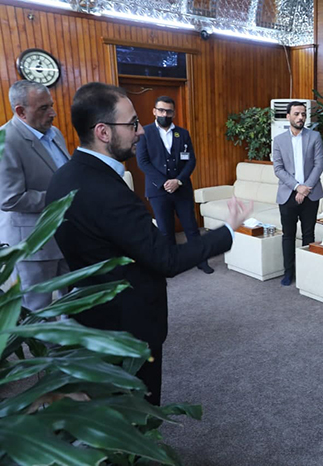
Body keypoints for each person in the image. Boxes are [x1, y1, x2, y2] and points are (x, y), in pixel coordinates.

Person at [46, 82, 251, 405]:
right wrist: (228, 230)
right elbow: (168, 259)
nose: (140, 131)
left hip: (92, 318)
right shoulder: (108, 192)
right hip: (127, 326)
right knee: (138, 411)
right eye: (132, 124)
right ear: (103, 131)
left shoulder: (63, 177)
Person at [0, 81, 71, 311]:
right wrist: (62, 198)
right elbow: (9, 199)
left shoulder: (55, 133)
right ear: (21, 111)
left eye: (51, 105)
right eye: (43, 108)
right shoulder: (6, 140)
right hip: (34, 244)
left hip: (66, 235)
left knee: (73, 303)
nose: (53, 113)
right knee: (38, 310)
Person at [136, 96, 213, 274]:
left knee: (191, 228)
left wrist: (178, 181)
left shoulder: (182, 133)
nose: (165, 114)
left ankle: (201, 261)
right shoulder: (144, 133)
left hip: (181, 188)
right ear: (154, 111)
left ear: (174, 113)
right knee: (165, 231)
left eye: (169, 111)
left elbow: (191, 160)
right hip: (158, 190)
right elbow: (143, 162)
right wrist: (164, 182)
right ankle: (171, 264)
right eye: (161, 110)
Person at [272, 101, 323, 286]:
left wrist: (305, 188)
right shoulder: (279, 140)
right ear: (288, 116)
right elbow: (278, 169)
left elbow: (319, 164)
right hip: (288, 195)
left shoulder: (315, 136)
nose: (300, 117)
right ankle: (288, 272)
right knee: (288, 235)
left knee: (308, 235)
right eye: (296, 114)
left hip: (311, 194)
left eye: (303, 114)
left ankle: (307, 272)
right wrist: (297, 187)